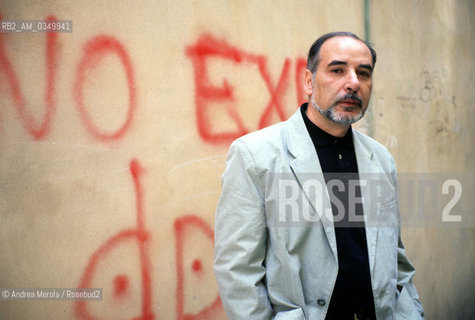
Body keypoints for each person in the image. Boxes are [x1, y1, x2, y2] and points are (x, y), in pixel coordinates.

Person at [214, 32, 424, 320]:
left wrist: (410, 313)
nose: (353, 83)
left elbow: (395, 260)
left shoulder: (380, 160)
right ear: (309, 82)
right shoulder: (256, 155)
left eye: (364, 73)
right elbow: (236, 270)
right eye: (337, 70)